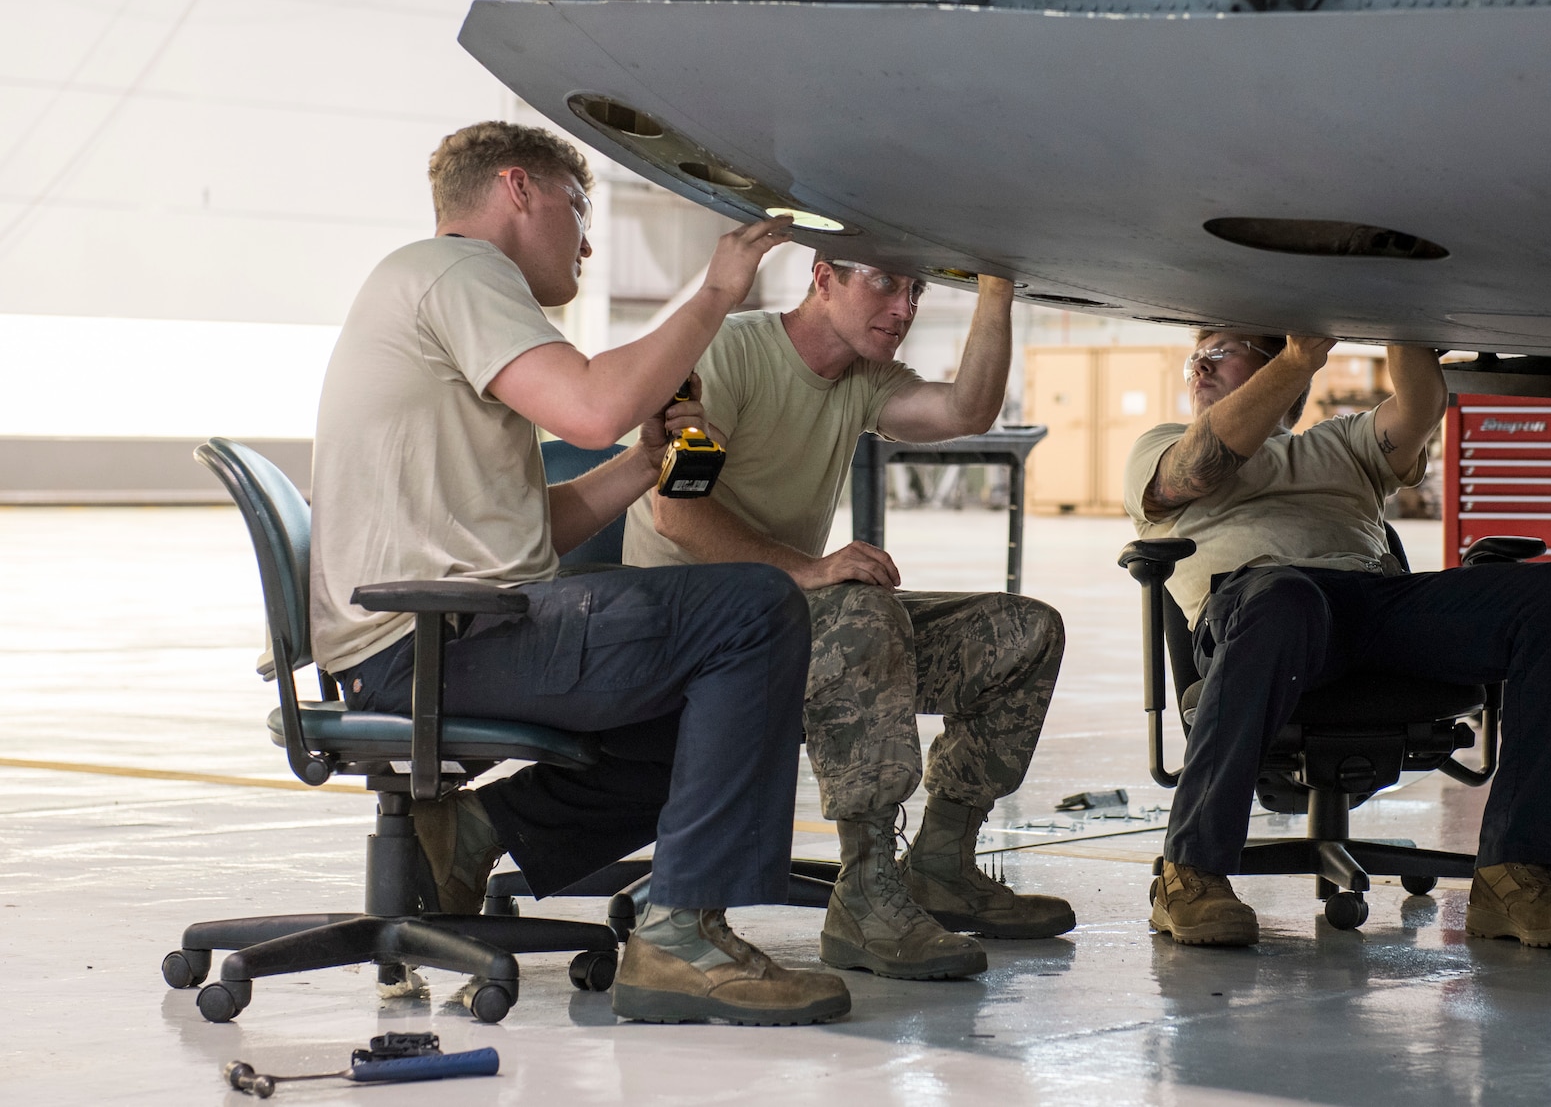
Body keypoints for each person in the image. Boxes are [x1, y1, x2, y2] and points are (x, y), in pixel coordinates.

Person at [309, 120, 849, 1025]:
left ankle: (480, 828)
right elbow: (593, 404)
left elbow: (533, 526)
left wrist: (647, 461)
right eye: (580, 208)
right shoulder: (461, 270)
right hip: (428, 641)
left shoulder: (432, 292)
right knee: (755, 611)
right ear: (519, 189)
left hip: (436, 630)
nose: (590, 242)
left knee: (698, 704)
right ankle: (679, 942)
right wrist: (717, 290)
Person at [623, 258, 1071, 981]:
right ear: (823, 276)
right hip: (690, 629)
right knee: (861, 613)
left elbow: (966, 411)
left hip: (787, 620)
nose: (904, 306)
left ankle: (942, 865)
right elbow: (678, 511)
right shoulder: (727, 354)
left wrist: (997, 284)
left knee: (1020, 634)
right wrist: (806, 568)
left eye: (916, 290)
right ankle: (866, 891)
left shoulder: (865, 375)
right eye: (886, 282)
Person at [1124, 331, 1551, 949]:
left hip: (1375, 602)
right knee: (1286, 596)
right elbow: (1195, 468)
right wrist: (1302, 356)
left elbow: (1419, 406)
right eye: (1197, 352)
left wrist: (1394, 314)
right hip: (1261, 610)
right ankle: (1189, 872)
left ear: (1278, 366)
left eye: (1224, 347)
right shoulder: (1160, 445)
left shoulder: (1343, 444)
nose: (1199, 362)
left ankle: (1513, 871)